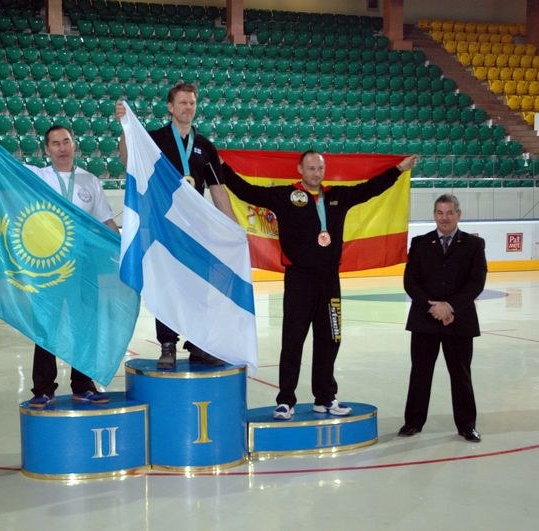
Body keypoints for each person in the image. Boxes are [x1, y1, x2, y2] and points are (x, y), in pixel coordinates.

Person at [221, 150, 417, 420]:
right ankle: (286, 401)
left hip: (330, 282)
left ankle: (325, 398)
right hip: (299, 281)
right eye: (311, 168)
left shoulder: (337, 196)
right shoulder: (285, 196)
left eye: (319, 168)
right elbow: (247, 191)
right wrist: (220, 167)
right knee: (293, 340)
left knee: (330, 339)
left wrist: (399, 168)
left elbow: (371, 189)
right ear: (300, 170)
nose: (316, 173)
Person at [0, 112, 114, 409]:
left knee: (84, 325)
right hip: (50, 267)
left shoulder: (90, 181)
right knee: (47, 326)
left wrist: (123, 249)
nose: (62, 147)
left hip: (84, 265)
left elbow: (106, 222)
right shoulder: (37, 177)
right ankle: (43, 389)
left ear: (75, 145)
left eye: (66, 141)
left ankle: (83, 385)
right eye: (55, 143)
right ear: (47, 150)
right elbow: (1, 163)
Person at [115, 83, 237, 369]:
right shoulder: (155, 139)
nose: (188, 108)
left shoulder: (205, 146)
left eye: (192, 103)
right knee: (167, 284)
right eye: (183, 103)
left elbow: (218, 189)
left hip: (197, 229)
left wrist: (232, 227)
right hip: (164, 226)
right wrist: (125, 128)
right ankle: (167, 345)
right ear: (170, 107)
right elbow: (128, 159)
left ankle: (199, 344)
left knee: (199, 284)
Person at [398, 194, 486, 442]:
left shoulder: (474, 245)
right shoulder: (420, 243)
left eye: (449, 212)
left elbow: (476, 283)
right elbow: (410, 281)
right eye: (439, 212)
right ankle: (413, 422)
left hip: (459, 320)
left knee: (461, 374)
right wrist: (434, 307)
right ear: (434, 214)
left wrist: (449, 306)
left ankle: (467, 425)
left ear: (459, 214)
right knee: (420, 373)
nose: (444, 218)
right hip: (425, 320)